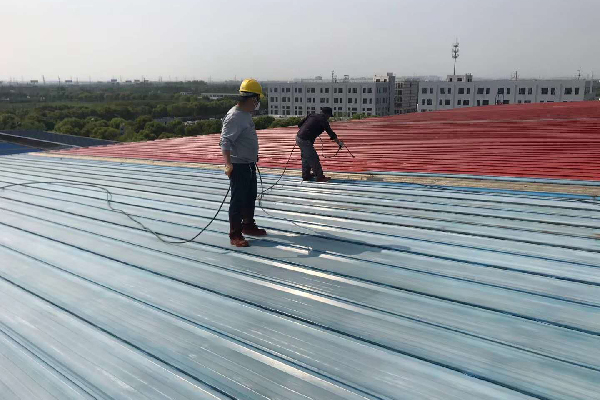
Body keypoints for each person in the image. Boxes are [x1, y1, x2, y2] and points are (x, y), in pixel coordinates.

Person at [220, 79, 267, 247]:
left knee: (250, 196)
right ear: (252, 98)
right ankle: (235, 234)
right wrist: (228, 164)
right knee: (238, 200)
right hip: (239, 165)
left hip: (249, 164)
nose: (258, 103)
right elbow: (225, 142)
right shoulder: (234, 116)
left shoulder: (245, 114)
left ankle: (248, 225)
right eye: (257, 99)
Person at [296, 107, 341, 182]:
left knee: (306, 158)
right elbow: (331, 133)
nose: (328, 118)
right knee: (313, 158)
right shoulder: (323, 120)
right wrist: (339, 143)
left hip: (299, 138)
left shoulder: (312, 115)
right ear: (327, 114)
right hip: (305, 140)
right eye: (329, 116)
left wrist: (308, 130)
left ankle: (306, 175)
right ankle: (320, 177)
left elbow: (300, 125)